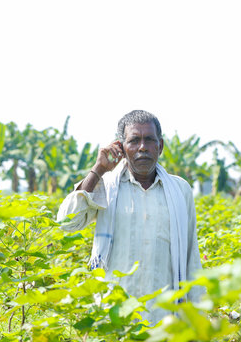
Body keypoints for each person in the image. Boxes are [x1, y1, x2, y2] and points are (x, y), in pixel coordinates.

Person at [57, 110, 202, 324]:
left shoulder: (180, 190)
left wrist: (197, 321)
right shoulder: (105, 187)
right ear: (122, 148)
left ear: (159, 146)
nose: (142, 147)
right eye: (134, 140)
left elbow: (191, 257)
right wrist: (98, 169)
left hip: (164, 320)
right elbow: (67, 222)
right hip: (115, 317)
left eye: (149, 140)